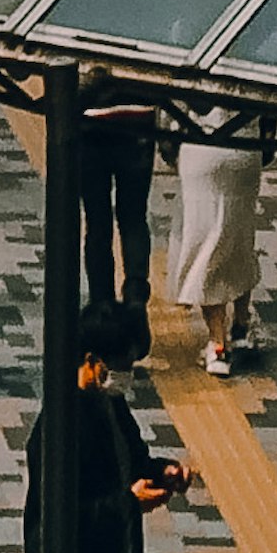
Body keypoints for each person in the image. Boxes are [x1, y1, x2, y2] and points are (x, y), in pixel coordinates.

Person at [20, 332, 189, 553]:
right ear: (91, 361)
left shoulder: (109, 402)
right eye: (118, 365)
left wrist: (162, 472)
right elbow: (63, 513)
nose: (124, 376)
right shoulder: (62, 427)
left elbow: (131, 461)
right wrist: (130, 503)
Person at [78, 58, 171, 362]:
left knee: (97, 222)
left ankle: (101, 304)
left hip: (91, 119)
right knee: (133, 217)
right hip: (138, 117)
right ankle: (134, 298)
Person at [167, 104, 271, 376]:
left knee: (206, 246)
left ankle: (217, 342)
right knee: (239, 238)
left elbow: (176, 102)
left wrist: (168, 143)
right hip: (245, 150)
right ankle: (241, 325)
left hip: (201, 146)